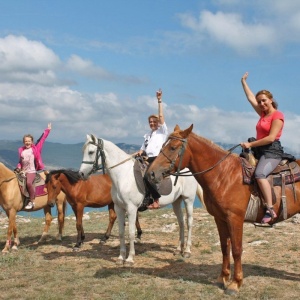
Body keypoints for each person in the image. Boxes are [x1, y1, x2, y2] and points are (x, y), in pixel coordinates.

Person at [240, 72, 284, 224]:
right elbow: (250, 98)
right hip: (260, 150)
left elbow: (271, 138)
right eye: (260, 102)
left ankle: (270, 209)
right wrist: (243, 82)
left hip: (272, 151)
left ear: (271, 100)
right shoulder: (263, 114)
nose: (261, 104)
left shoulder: (277, 115)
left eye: (264, 100)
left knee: (259, 174)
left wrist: (250, 144)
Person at [136, 89, 168, 209]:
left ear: (158, 123)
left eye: (154, 121)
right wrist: (139, 152)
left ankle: (156, 200)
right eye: (150, 122)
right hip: (147, 159)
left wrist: (159, 100)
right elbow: (142, 149)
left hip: (158, 159)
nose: (152, 123)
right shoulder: (147, 135)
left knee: (147, 175)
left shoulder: (162, 131)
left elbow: (161, 115)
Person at [15, 123, 52, 209]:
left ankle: (32, 201)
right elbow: (21, 162)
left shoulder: (35, 148)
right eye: (26, 141)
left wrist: (48, 130)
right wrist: (18, 167)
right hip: (23, 171)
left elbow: (42, 139)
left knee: (28, 183)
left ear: (32, 142)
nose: (27, 142)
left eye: (29, 141)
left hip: (31, 171)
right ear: (24, 142)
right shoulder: (21, 150)